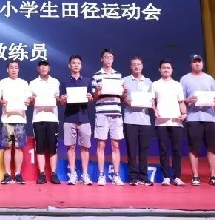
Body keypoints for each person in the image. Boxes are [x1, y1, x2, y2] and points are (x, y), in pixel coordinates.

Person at [180, 55, 215, 186]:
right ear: (191, 64)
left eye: (199, 62)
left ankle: (213, 176)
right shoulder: (185, 79)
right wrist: (188, 100)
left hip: (210, 117)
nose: (197, 64)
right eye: (194, 62)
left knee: (212, 148)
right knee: (194, 148)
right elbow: (181, 99)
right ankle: (195, 176)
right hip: (193, 118)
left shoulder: (210, 78)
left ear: (202, 63)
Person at [91, 48, 126, 186]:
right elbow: (94, 97)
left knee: (115, 145)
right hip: (101, 113)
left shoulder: (119, 75)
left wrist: (124, 92)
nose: (108, 60)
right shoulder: (96, 76)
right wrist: (97, 91)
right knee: (101, 144)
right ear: (102, 59)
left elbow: (122, 96)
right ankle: (101, 175)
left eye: (111, 57)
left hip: (116, 113)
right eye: (106, 57)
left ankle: (116, 176)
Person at [59, 54, 94, 186]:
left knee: (85, 147)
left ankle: (85, 174)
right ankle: (72, 174)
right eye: (73, 63)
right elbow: (62, 101)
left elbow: (90, 99)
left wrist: (90, 98)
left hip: (84, 118)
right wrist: (63, 99)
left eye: (78, 63)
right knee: (71, 147)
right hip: (69, 118)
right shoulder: (64, 82)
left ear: (81, 66)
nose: (76, 65)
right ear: (69, 65)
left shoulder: (87, 81)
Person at [152, 59, 186, 186]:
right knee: (163, 150)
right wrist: (154, 111)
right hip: (161, 122)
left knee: (177, 150)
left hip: (176, 121)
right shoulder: (155, 84)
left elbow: (181, 102)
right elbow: (152, 101)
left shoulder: (177, 85)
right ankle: (166, 176)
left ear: (172, 70)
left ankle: (177, 177)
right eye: (164, 67)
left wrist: (184, 113)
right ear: (159, 70)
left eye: (168, 68)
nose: (166, 69)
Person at [0, 60, 30, 184]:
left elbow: (28, 99)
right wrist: (1, 101)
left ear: (19, 69)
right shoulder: (2, 83)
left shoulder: (24, 83)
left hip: (20, 119)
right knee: (7, 148)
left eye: (16, 67)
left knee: (18, 148)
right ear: (7, 69)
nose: (14, 70)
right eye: (11, 67)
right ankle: (7, 174)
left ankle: (17, 174)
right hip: (7, 119)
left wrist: (28, 100)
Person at [123, 56, 154, 186]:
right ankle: (133, 176)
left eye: (139, 64)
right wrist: (125, 100)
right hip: (130, 119)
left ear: (142, 66)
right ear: (130, 67)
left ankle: (144, 176)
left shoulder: (148, 82)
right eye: (134, 64)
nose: (136, 66)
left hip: (145, 120)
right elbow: (122, 97)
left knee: (144, 149)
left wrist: (153, 106)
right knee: (131, 149)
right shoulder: (124, 80)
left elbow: (152, 99)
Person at [29, 60, 61, 184]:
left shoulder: (55, 82)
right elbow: (30, 102)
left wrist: (59, 98)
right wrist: (31, 100)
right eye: (41, 66)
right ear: (38, 69)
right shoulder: (33, 83)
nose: (43, 68)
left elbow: (58, 99)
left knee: (53, 148)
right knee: (40, 147)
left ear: (49, 68)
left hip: (52, 118)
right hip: (38, 118)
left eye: (46, 66)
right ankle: (42, 174)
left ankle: (53, 174)